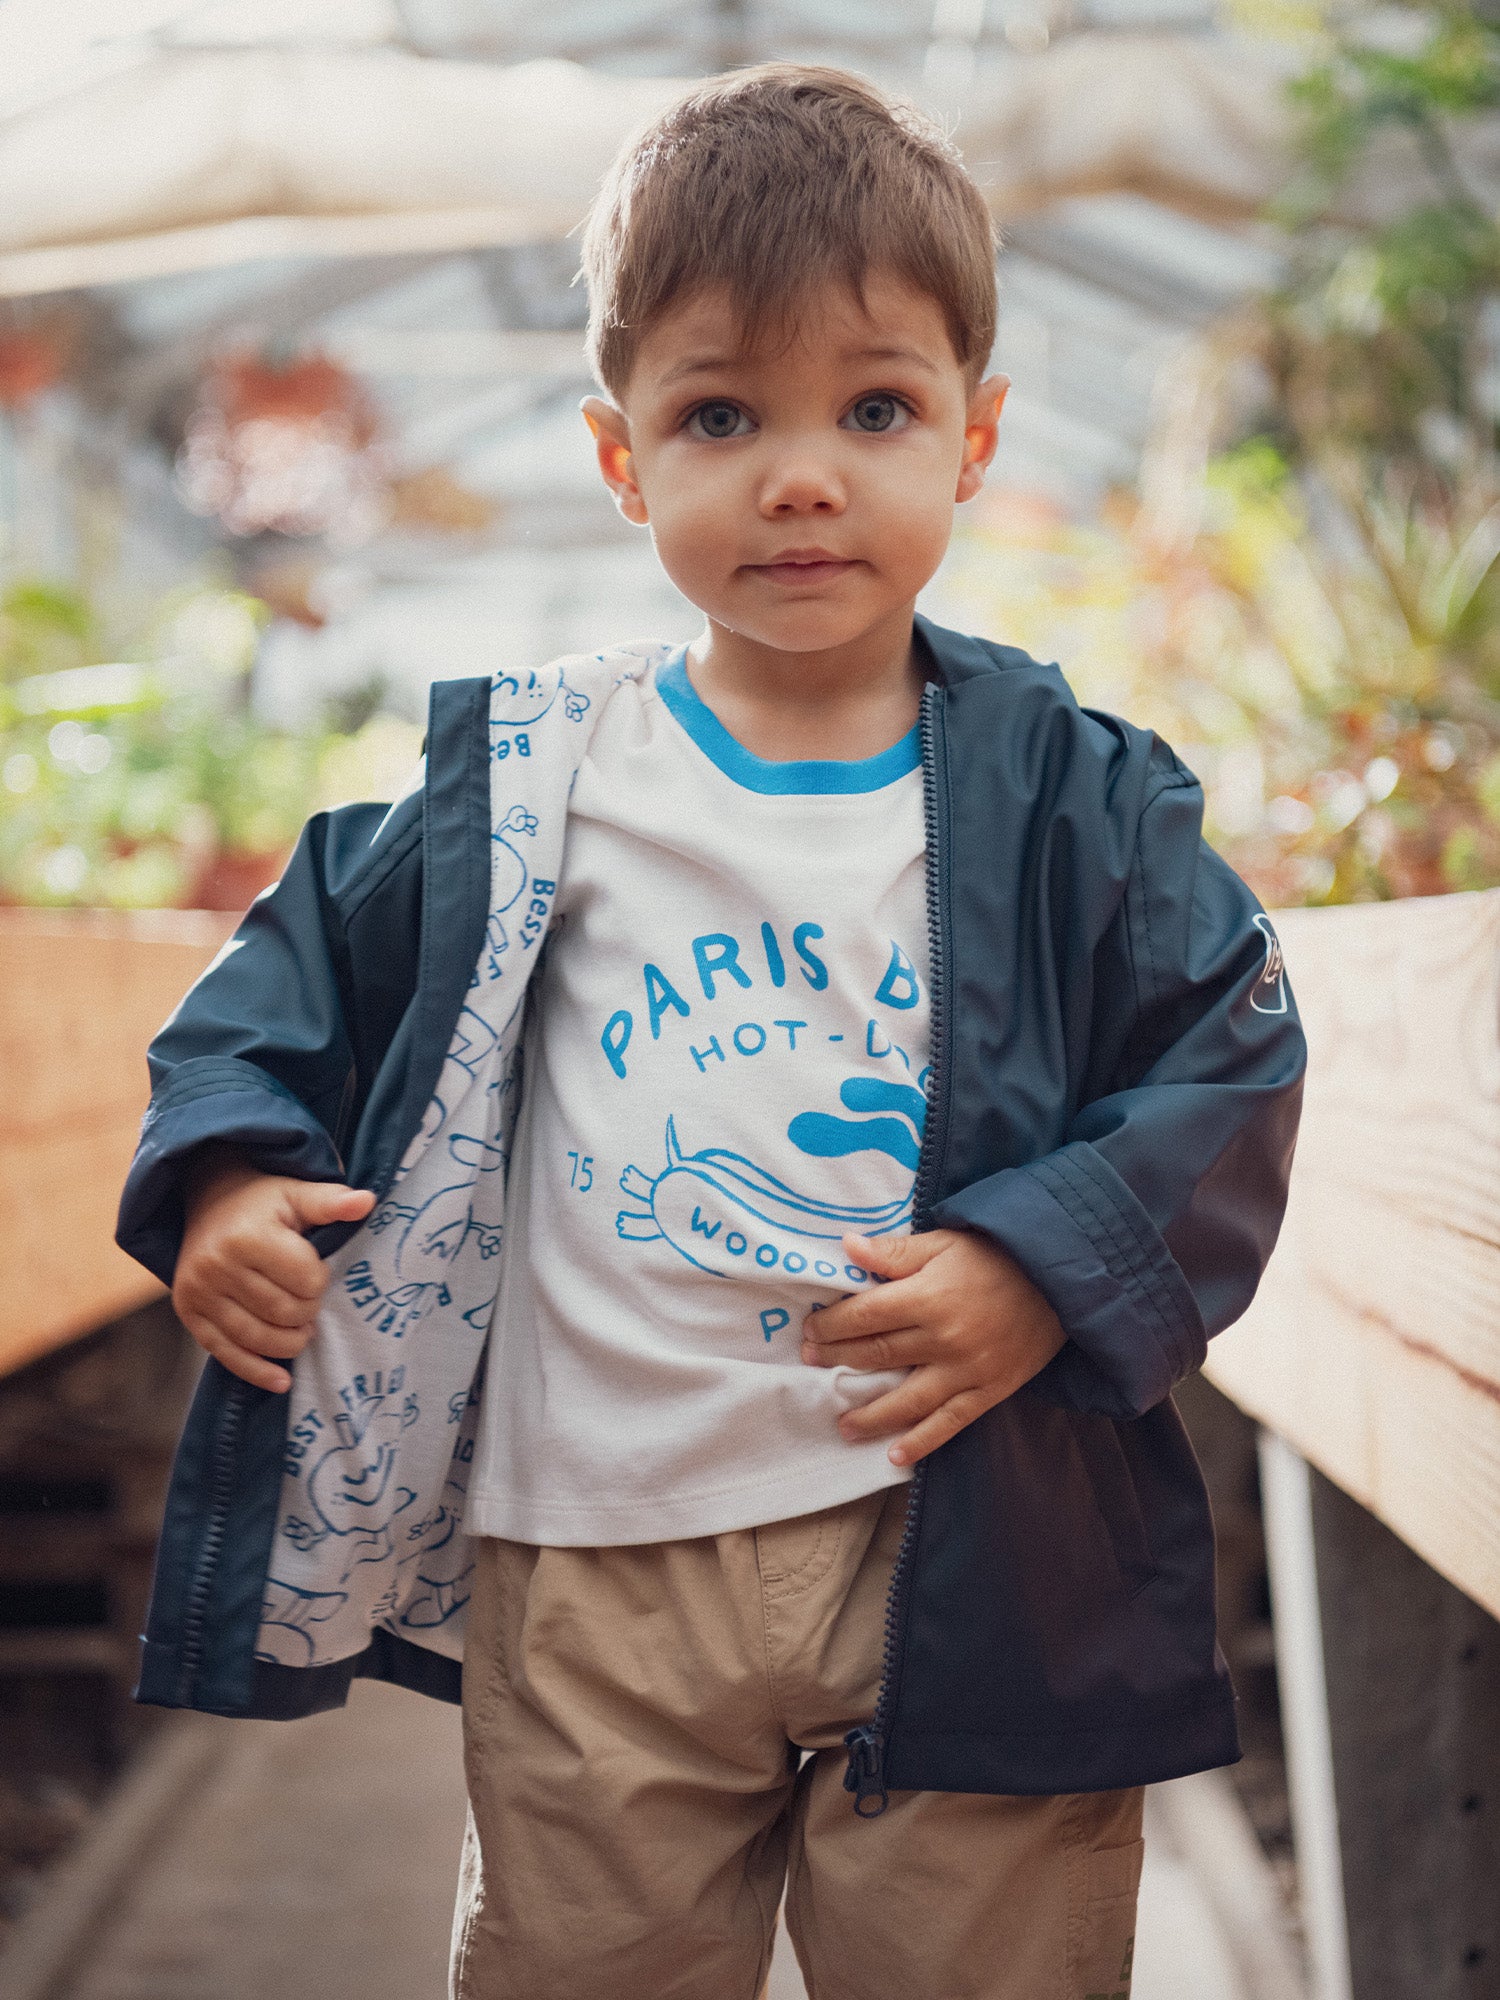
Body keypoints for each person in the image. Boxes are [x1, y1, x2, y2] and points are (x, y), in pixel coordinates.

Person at [117, 64, 1305, 2000]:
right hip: (599, 1560)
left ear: (979, 437)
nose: (802, 474)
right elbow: (275, 992)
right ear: (620, 457)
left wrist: (1038, 1267)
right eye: (722, 413)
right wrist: (234, 1174)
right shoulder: (529, 782)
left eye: (878, 408)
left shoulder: (1083, 794)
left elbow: (1231, 1061)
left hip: (981, 1539)